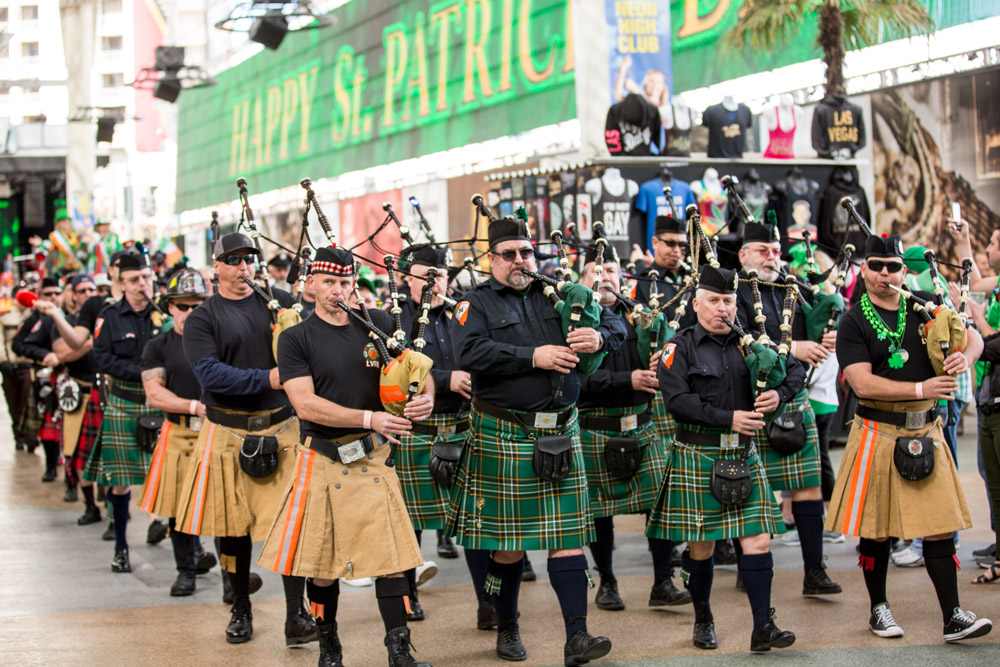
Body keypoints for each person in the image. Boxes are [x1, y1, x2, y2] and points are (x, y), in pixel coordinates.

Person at [448, 215, 626, 664]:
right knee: (508, 546)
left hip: (562, 429)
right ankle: (507, 627)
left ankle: (577, 637)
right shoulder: (475, 303)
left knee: (568, 536)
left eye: (526, 252)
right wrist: (533, 356)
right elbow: (469, 351)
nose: (520, 261)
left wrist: (598, 337)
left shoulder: (561, 293)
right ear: (492, 259)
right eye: (509, 254)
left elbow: (618, 325)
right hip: (505, 434)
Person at [258, 244, 434, 667]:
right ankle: (329, 647)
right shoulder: (296, 338)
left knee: (392, 560)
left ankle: (399, 652)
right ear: (311, 284)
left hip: (373, 459)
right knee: (322, 565)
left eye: (344, 282)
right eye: (329, 282)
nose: (337, 290)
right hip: (324, 459)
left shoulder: (377, 325)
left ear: (354, 283)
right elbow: (305, 405)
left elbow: (417, 369)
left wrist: (425, 397)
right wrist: (370, 418)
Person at [827, 233, 991, 642]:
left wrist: (965, 357)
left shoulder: (924, 305)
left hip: (926, 430)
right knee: (876, 527)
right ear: (864, 269)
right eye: (876, 266)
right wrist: (922, 388)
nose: (885, 274)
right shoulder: (852, 321)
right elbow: (861, 383)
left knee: (939, 524)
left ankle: (953, 615)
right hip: (876, 431)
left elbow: (973, 337)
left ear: (904, 270)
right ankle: (878, 608)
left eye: (893, 267)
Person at [647, 265, 799, 652]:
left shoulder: (753, 344)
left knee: (758, 540)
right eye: (713, 300)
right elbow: (676, 401)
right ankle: (703, 619)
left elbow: (796, 371)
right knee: (702, 546)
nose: (722, 308)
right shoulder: (678, 347)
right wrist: (728, 417)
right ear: (696, 303)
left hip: (743, 453)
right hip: (698, 453)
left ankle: (763, 625)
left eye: (728, 301)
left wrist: (779, 394)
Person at [174, 232, 316, 646]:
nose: (243, 268)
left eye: (248, 259)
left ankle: (297, 614)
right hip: (229, 430)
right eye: (233, 260)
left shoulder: (279, 304)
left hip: (282, 427)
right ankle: (240, 607)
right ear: (216, 267)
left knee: (291, 524)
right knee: (232, 528)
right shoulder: (202, 318)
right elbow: (209, 374)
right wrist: (269, 378)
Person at [576, 243, 689, 612]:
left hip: (641, 425)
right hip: (596, 426)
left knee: (659, 506)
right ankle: (607, 582)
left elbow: (668, 363)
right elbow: (577, 381)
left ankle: (663, 582)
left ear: (622, 276)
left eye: (610, 270)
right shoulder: (575, 321)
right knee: (599, 513)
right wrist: (629, 379)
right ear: (582, 280)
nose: (604, 277)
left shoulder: (643, 319)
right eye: (596, 272)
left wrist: (663, 361)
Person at [734, 219, 841, 596]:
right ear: (744, 254)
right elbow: (736, 338)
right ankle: (747, 568)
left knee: (808, 487)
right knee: (746, 491)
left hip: (792, 397)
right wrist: (795, 347)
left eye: (777, 251)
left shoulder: (791, 287)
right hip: (750, 402)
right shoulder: (733, 290)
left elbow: (816, 330)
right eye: (764, 251)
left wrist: (825, 335)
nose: (772, 257)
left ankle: (815, 571)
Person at [395, 245, 480, 624]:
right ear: (407, 279)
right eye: (425, 276)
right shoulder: (395, 318)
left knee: (476, 521)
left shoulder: (463, 313)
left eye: (440, 276)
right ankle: (407, 595)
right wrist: (447, 380)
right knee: (409, 523)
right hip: (419, 431)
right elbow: (396, 369)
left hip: (462, 429)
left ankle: (488, 602)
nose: (433, 283)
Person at [83, 250, 164, 573]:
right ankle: (120, 547)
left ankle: (191, 551)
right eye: (133, 280)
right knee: (119, 482)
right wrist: (145, 374)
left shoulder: (165, 314)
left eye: (145, 277)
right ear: (121, 283)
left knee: (172, 474)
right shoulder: (109, 316)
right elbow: (102, 358)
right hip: (125, 403)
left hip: (162, 402)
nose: (141, 284)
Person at [139, 269, 218, 597]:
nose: (189, 312)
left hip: (217, 432)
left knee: (223, 510)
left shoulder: (219, 340)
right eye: (182, 306)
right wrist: (193, 407)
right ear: (170, 307)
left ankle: (232, 581)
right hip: (179, 432)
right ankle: (186, 572)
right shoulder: (158, 346)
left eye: (196, 305)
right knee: (177, 508)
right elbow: (154, 393)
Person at [12, 278, 67, 481]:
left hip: (71, 378)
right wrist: (44, 355)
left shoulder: (71, 316)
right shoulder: (34, 319)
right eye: (48, 294)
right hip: (44, 379)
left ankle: (69, 473)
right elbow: (18, 345)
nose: (53, 298)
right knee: (47, 424)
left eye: (56, 293)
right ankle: (51, 466)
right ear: (40, 296)